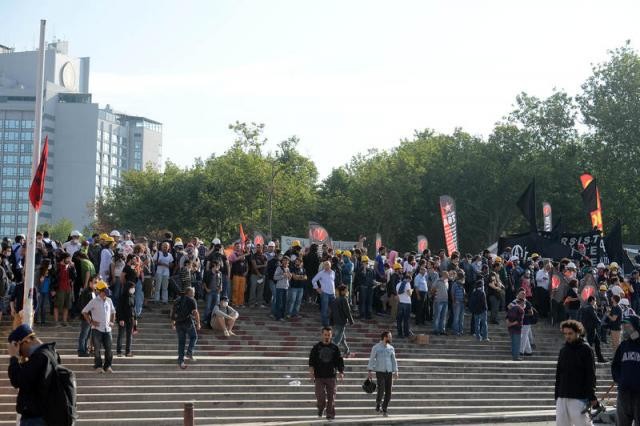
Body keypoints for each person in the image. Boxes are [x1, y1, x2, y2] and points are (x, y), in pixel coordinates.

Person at [7, 324, 73, 425]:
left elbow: (18, 380)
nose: (20, 354)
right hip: (45, 416)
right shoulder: (50, 353)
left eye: (19, 350)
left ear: (27, 340)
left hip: (37, 418)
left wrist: (13, 358)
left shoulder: (40, 357)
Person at [555, 319, 598, 426]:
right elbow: (559, 374)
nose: (567, 336)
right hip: (562, 396)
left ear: (578, 332)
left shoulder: (586, 349)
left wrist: (591, 396)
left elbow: (590, 374)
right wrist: (557, 395)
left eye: (570, 333)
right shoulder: (563, 350)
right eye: (565, 333)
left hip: (579, 397)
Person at [308, 327, 345, 421]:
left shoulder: (335, 348)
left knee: (331, 397)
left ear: (331, 335)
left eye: (329, 335)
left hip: (331, 376)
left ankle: (330, 415)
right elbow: (311, 361)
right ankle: (320, 408)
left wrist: (341, 372)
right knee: (320, 396)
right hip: (319, 376)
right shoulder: (316, 347)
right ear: (322, 335)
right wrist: (311, 373)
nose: (327, 337)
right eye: (325, 335)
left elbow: (339, 361)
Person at [81, 281, 116, 373]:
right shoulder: (94, 301)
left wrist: (112, 322)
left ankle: (108, 366)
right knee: (97, 349)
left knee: (109, 349)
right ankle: (98, 366)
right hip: (97, 329)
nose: (106, 292)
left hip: (107, 329)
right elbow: (84, 312)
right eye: (104, 290)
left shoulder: (109, 300)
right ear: (100, 291)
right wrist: (91, 322)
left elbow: (113, 312)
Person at [611, 314, 640, 425]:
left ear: (636, 326)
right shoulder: (623, 346)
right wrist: (620, 380)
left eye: (628, 326)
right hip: (623, 393)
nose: (625, 329)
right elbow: (615, 366)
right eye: (624, 326)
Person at [367, 330, 399, 417]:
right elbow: (372, 359)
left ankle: (384, 408)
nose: (391, 338)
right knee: (381, 389)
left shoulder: (391, 348)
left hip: (389, 372)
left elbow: (394, 360)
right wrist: (370, 371)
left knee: (389, 392)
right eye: (389, 336)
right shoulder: (376, 347)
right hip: (380, 372)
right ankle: (378, 404)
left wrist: (396, 371)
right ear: (385, 337)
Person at [171, 286, 201, 369]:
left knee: (181, 342)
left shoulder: (177, 300)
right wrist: (198, 323)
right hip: (188, 323)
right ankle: (189, 352)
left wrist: (173, 323)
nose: (194, 294)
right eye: (193, 293)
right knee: (194, 336)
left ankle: (181, 360)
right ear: (189, 293)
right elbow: (196, 313)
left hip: (178, 323)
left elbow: (173, 312)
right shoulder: (192, 300)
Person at [579, 295, 606, 363]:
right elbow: (595, 317)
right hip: (591, 328)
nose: (596, 302)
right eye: (595, 300)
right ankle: (587, 359)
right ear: (592, 301)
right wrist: (601, 322)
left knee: (597, 343)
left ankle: (600, 358)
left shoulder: (584, 307)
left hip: (587, 327)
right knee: (589, 344)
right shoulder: (590, 307)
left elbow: (582, 317)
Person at [331, 284, 354, 356]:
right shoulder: (344, 299)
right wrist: (351, 320)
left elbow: (331, 312)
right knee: (337, 338)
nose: (347, 292)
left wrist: (331, 321)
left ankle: (346, 350)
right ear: (343, 292)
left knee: (342, 338)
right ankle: (330, 351)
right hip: (341, 322)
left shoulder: (335, 300)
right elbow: (347, 311)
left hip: (335, 322)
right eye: (346, 290)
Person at [78, 276, 98, 357]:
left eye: (97, 282)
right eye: (94, 282)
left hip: (91, 318)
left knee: (87, 335)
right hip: (86, 317)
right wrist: (88, 317)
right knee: (84, 334)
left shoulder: (93, 292)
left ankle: (85, 349)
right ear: (90, 283)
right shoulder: (86, 292)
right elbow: (84, 306)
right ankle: (81, 350)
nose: (96, 284)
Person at [312, 261, 336, 327]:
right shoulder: (321, 273)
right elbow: (313, 280)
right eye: (325, 265)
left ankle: (332, 322)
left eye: (328, 265)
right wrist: (317, 288)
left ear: (330, 265)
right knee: (324, 309)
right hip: (325, 293)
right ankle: (325, 324)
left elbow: (333, 282)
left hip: (332, 294)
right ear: (323, 266)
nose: (326, 266)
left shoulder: (333, 272)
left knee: (334, 309)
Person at [116, 281, 137, 357]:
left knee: (129, 335)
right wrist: (121, 319)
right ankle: (119, 351)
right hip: (123, 318)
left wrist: (135, 318)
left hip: (131, 318)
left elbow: (134, 308)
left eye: (133, 288)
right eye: (132, 287)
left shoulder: (133, 296)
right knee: (121, 335)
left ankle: (128, 352)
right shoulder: (122, 296)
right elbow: (119, 309)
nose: (133, 289)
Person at [203, 260, 223, 327]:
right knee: (208, 307)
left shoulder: (219, 273)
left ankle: (212, 320)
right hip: (210, 292)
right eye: (218, 266)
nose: (219, 267)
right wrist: (206, 289)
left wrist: (220, 287)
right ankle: (205, 319)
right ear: (214, 265)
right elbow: (204, 282)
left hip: (217, 292)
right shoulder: (208, 272)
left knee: (215, 307)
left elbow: (221, 282)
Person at [506, 296, 525, 361]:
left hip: (510, 329)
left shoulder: (511, 308)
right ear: (522, 303)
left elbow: (507, 318)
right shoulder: (521, 310)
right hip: (517, 329)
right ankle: (516, 357)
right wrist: (512, 324)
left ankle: (514, 356)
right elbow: (519, 320)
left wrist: (509, 324)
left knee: (513, 343)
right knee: (517, 343)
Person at [431, 271, 449, 335]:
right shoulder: (437, 280)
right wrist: (435, 296)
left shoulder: (447, 282)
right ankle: (436, 330)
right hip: (438, 300)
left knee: (443, 316)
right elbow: (432, 288)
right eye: (447, 274)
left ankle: (442, 330)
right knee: (437, 316)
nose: (448, 275)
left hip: (445, 301)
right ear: (443, 274)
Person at [396, 273, 412, 338]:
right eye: (410, 280)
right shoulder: (407, 284)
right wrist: (411, 291)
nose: (410, 281)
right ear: (408, 279)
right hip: (407, 303)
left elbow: (398, 293)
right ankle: (406, 333)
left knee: (399, 320)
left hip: (400, 303)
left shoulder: (398, 284)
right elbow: (409, 294)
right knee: (406, 319)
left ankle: (400, 334)